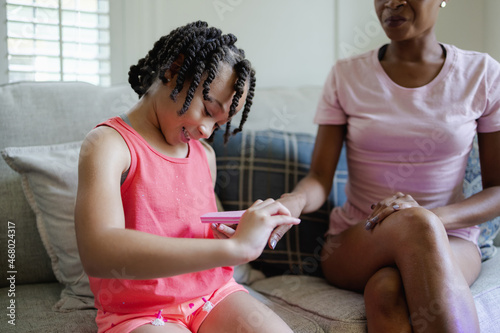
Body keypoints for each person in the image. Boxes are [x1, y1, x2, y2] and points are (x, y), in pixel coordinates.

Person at [269, 1, 500, 332]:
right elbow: (320, 178)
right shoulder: (347, 75)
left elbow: (497, 190)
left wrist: (431, 218)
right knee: (415, 225)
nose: (391, 2)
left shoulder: (482, 74)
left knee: (385, 290)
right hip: (359, 239)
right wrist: (293, 200)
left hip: (452, 238)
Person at [74, 21, 299, 333]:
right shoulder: (108, 145)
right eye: (207, 109)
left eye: (218, 124)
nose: (207, 131)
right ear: (174, 70)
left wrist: (231, 233)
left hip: (213, 295)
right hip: (140, 312)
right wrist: (234, 250)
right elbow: (99, 251)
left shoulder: (204, 155)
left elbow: (195, 231)